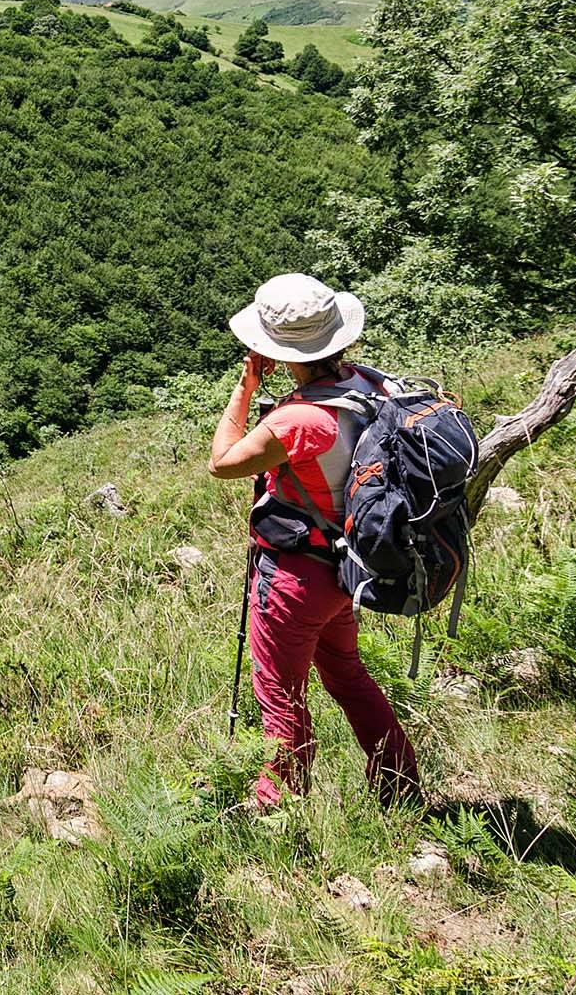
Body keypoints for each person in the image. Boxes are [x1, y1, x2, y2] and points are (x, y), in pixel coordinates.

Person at [208, 274, 421, 811]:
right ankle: (400, 782)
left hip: (295, 578)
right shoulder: (371, 387)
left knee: (279, 690)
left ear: (276, 349)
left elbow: (221, 463)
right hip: (346, 567)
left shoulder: (299, 419)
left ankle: (279, 804)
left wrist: (245, 386)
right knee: (347, 675)